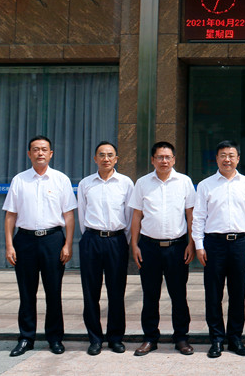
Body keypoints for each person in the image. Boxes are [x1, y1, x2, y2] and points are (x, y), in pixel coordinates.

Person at [3, 135, 77, 357]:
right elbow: (10, 215)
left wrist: (68, 244)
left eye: (44, 149)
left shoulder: (61, 180)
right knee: (27, 292)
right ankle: (26, 338)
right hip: (24, 241)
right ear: (29, 154)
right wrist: (9, 245)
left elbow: (69, 215)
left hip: (53, 240)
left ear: (51, 153)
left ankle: (55, 338)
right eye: (35, 149)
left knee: (53, 291)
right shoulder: (19, 180)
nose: (40, 153)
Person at [193, 140, 245, 358]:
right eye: (223, 155)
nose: (227, 159)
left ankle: (235, 338)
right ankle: (217, 339)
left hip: (240, 243)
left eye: (231, 155)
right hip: (214, 244)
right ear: (216, 158)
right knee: (213, 293)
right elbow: (198, 217)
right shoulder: (206, 185)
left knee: (238, 293)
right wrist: (199, 245)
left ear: (238, 158)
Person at [129, 141, 195, 357]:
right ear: (153, 160)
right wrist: (134, 245)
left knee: (179, 295)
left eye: (168, 157)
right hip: (149, 247)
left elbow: (191, 215)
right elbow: (137, 215)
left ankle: (181, 338)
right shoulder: (142, 183)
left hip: (177, 247)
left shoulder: (184, 182)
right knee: (150, 295)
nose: (164, 161)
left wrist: (191, 243)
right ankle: (150, 338)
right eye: (160, 157)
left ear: (174, 159)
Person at [76, 141, 134, 355]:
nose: (106, 158)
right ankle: (95, 339)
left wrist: (122, 240)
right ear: (95, 159)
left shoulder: (126, 183)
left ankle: (116, 338)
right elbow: (82, 215)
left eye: (110, 155)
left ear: (116, 159)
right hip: (91, 239)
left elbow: (129, 216)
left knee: (116, 292)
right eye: (101, 155)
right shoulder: (86, 184)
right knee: (90, 292)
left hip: (117, 241)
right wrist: (90, 237)